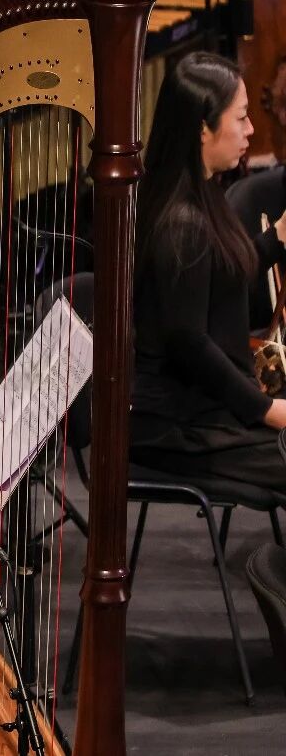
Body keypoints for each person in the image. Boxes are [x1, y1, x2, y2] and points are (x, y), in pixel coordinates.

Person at [132, 51, 286, 500]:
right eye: (241, 117)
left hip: (209, 409)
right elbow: (191, 345)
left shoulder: (203, 192)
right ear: (203, 128)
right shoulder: (182, 223)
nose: (251, 129)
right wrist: (267, 410)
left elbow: (222, 279)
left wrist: (277, 237)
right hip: (180, 426)